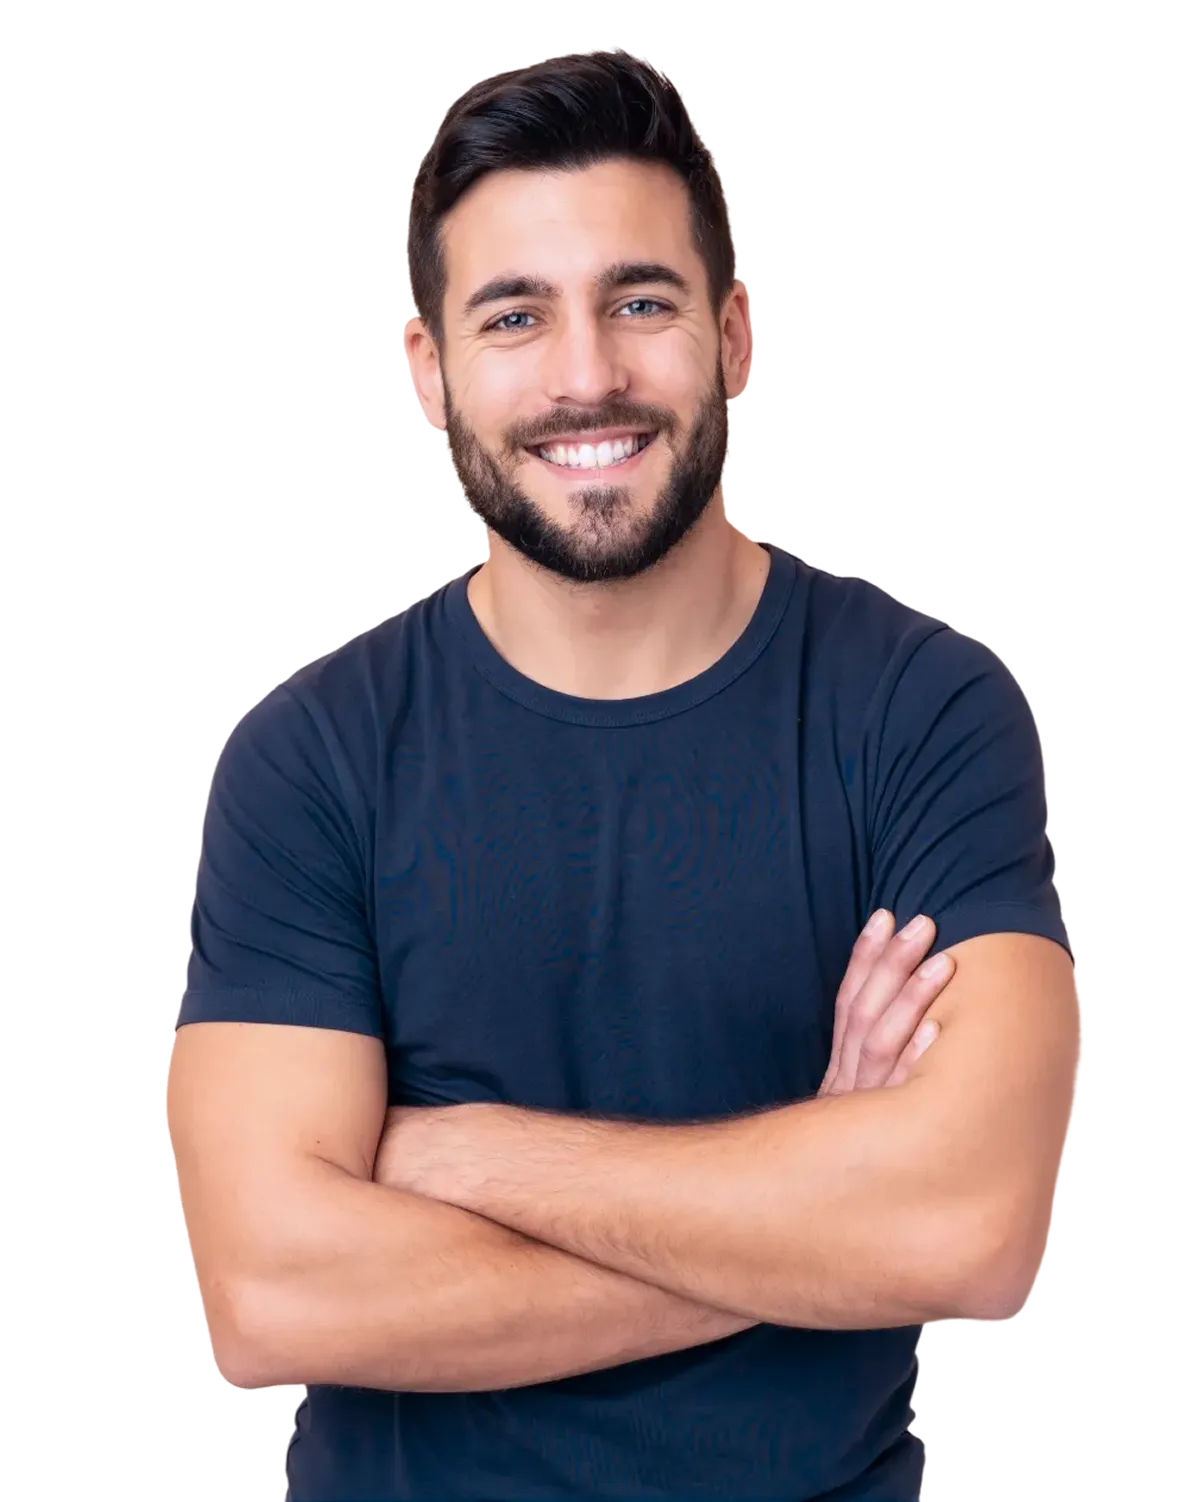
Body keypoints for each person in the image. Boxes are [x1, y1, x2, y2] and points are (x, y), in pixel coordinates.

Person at [167, 48, 1079, 1502]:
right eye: (515, 315)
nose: (587, 374)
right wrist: (813, 1213)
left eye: (639, 301)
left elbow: (968, 1231)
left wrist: (460, 1157)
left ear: (733, 335)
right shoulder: (309, 757)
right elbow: (273, 1295)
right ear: (428, 371)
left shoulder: (924, 710)